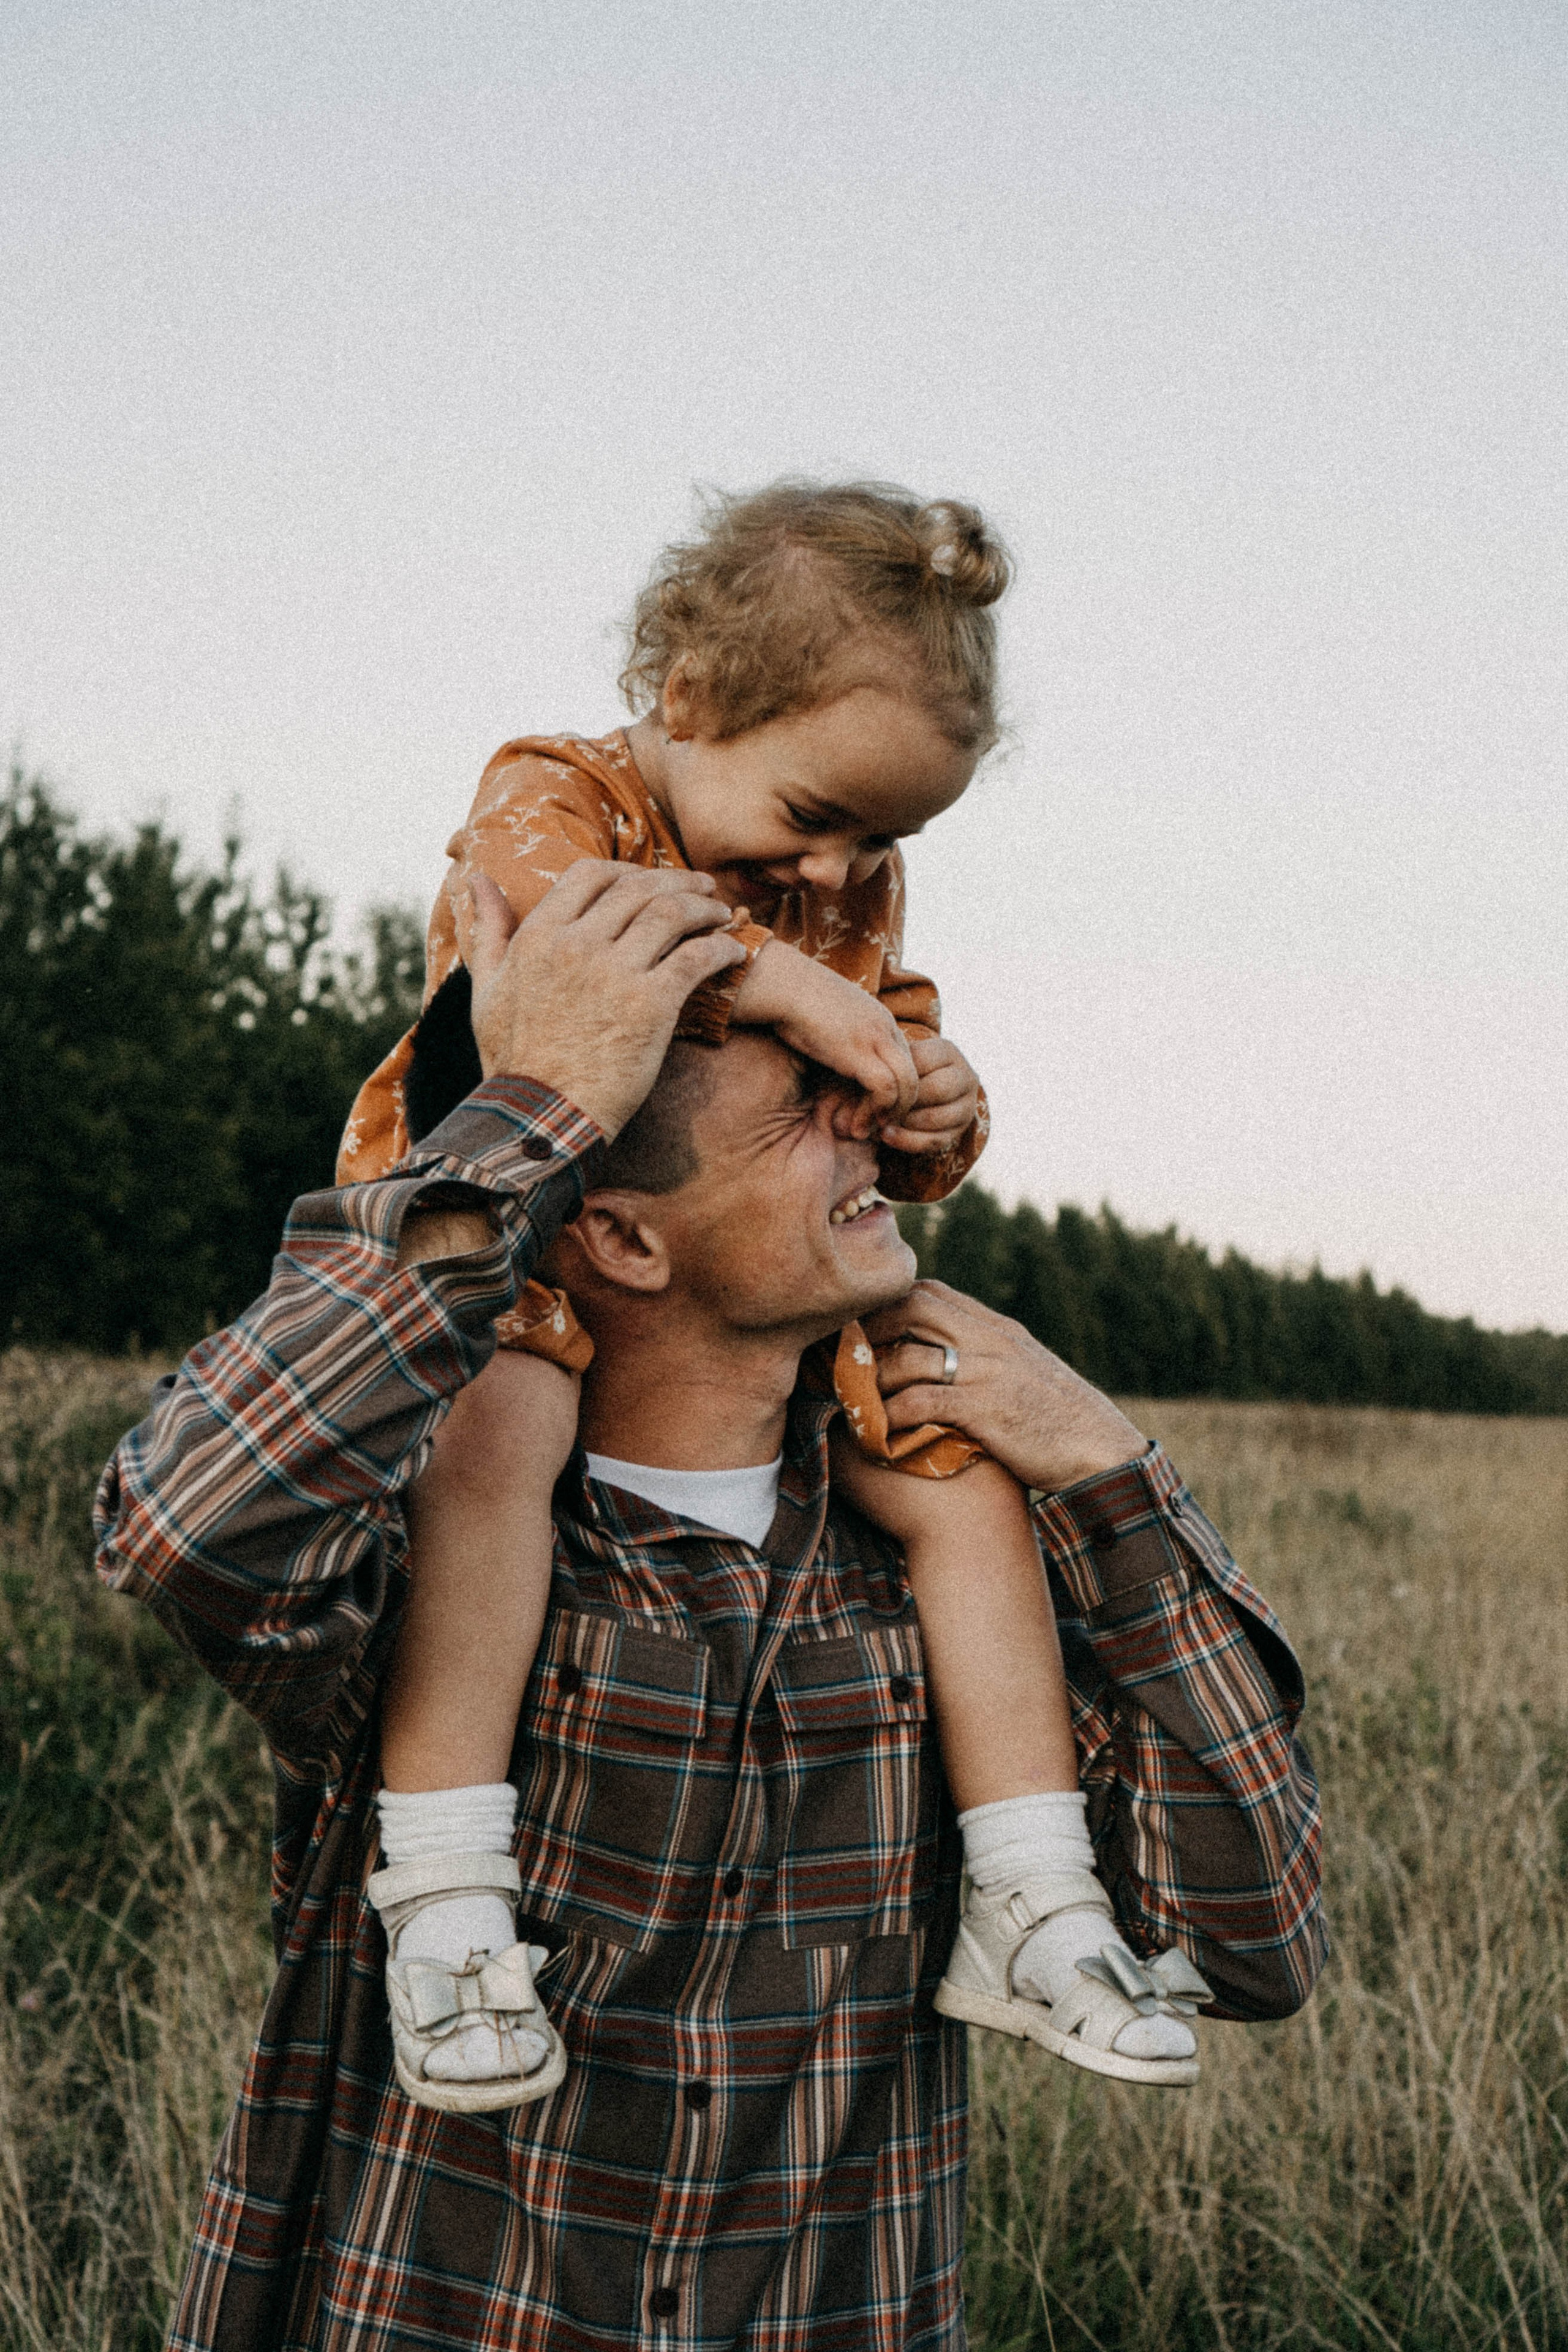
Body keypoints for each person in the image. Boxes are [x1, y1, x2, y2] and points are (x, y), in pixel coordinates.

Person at [96, 862, 1326, 2352]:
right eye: (794, 1116)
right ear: (621, 1238)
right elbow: (185, 1528)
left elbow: (1251, 1939)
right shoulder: (447, 1560)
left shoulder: (947, 1565)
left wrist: (1107, 1472)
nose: (861, 1120)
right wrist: (537, 1102)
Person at [339, 479, 1185, 2108]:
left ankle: (1024, 1885)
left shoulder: (840, 890)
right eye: (819, 814)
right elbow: (551, 940)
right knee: (496, 1446)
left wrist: (938, 1103)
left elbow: (891, 1049)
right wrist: (774, 972)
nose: (842, 866)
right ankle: (445, 1895)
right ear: (687, 701)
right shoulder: (556, 788)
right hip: (520, 1223)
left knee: (949, 1476)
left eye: (884, 842)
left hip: (754, 1253)